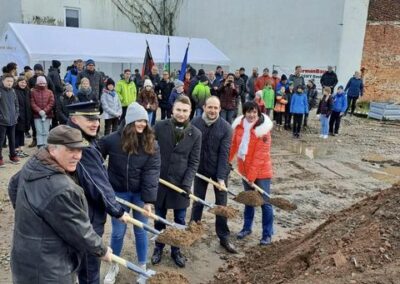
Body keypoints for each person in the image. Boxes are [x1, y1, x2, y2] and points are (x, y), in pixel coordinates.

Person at [8, 125, 113, 283]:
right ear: (52, 149)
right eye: (70, 150)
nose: (77, 156)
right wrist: (102, 250)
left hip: (23, 258)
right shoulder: (63, 188)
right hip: (50, 270)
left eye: (80, 150)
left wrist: (31, 219)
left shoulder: (34, 164)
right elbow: (80, 231)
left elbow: (13, 185)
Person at [66, 101, 129, 284]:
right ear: (74, 119)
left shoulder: (71, 137)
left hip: (77, 216)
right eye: (89, 118)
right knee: (90, 270)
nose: (96, 123)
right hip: (88, 218)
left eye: (97, 118)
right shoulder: (81, 146)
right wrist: (117, 210)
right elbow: (97, 185)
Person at [100, 102, 161, 284]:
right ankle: (114, 265)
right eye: (137, 121)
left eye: (144, 121)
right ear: (129, 122)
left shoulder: (151, 144)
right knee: (118, 232)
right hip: (118, 193)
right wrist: (104, 180)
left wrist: (149, 201)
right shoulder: (112, 140)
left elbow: (152, 173)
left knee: (141, 230)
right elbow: (95, 158)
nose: (142, 124)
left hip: (140, 194)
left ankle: (142, 266)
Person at [151, 95, 201, 268]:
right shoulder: (159, 126)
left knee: (180, 219)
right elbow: (148, 149)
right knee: (159, 218)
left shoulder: (195, 134)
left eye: (185, 111)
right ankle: (158, 247)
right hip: (160, 181)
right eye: (178, 110)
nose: (181, 114)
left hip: (180, 185)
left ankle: (176, 250)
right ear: (172, 109)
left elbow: (194, 162)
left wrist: (187, 183)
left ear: (190, 112)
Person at [190, 96, 237, 254]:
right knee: (198, 202)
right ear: (204, 107)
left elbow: (225, 155)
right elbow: (189, 147)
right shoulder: (195, 123)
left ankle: (223, 237)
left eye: (216, 108)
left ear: (220, 109)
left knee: (221, 206)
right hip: (200, 169)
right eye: (210, 107)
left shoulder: (226, 128)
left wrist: (221, 178)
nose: (212, 111)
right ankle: (193, 230)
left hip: (219, 171)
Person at [229, 101, 274, 245]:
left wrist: (251, 177)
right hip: (245, 171)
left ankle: (267, 234)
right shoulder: (239, 126)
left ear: (258, 113)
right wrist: (227, 160)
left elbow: (260, 156)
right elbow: (233, 145)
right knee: (249, 200)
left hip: (261, 173)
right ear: (244, 112)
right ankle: (246, 228)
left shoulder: (263, 131)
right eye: (249, 112)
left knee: (265, 203)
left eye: (254, 112)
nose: (251, 115)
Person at [0, 74, 20, 167]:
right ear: (3, 81)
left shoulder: (13, 91)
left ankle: (13, 156)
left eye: (11, 81)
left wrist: (16, 115)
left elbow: (16, 105)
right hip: (2, 121)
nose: (9, 83)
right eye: (8, 81)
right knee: (1, 140)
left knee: (12, 139)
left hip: (12, 120)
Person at [30, 76, 55, 148]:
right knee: (39, 131)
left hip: (47, 114)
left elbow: (51, 102)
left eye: (43, 83)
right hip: (37, 115)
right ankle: (40, 145)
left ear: (46, 83)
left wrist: (45, 111)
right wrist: (39, 111)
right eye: (40, 83)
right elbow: (32, 103)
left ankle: (46, 145)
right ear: (37, 83)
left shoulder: (50, 92)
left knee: (46, 131)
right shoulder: (33, 92)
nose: (41, 84)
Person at [14, 77, 31, 158]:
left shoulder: (27, 91)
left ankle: (21, 150)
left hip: (25, 117)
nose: (23, 84)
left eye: (24, 82)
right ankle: (16, 150)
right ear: (17, 82)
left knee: (22, 134)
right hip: (18, 117)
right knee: (17, 134)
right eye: (21, 82)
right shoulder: (15, 91)